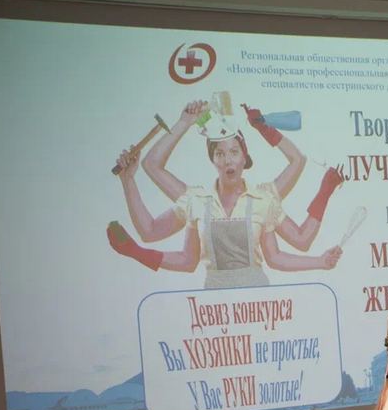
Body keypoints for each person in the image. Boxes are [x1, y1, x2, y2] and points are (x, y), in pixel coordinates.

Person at [107, 99, 343, 288]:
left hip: (259, 302)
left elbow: (281, 254)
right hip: (214, 308)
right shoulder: (197, 201)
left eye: (234, 152)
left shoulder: (263, 198)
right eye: (219, 153)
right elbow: (155, 233)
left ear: (244, 156)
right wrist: (184, 122)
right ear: (212, 159)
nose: (228, 160)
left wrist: (264, 128)